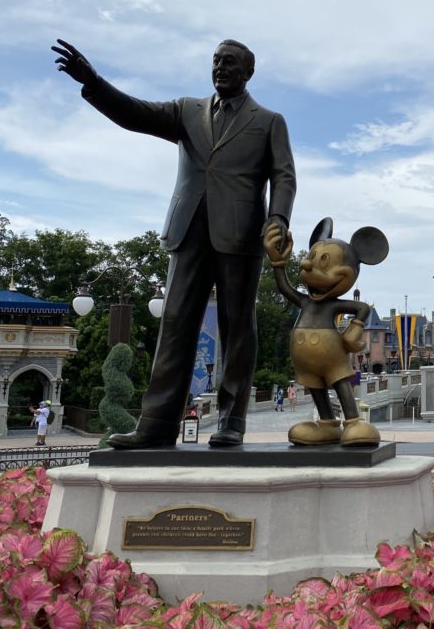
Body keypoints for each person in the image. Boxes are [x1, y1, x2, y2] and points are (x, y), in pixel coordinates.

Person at [53, 38, 297, 449]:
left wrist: (278, 219)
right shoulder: (187, 110)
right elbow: (135, 114)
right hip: (187, 230)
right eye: (216, 61)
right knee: (176, 323)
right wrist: (94, 83)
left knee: (238, 327)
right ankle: (158, 424)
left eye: (230, 63)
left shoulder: (269, 121)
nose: (220, 68)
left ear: (248, 73)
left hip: (240, 234)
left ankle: (231, 420)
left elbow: (284, 175)